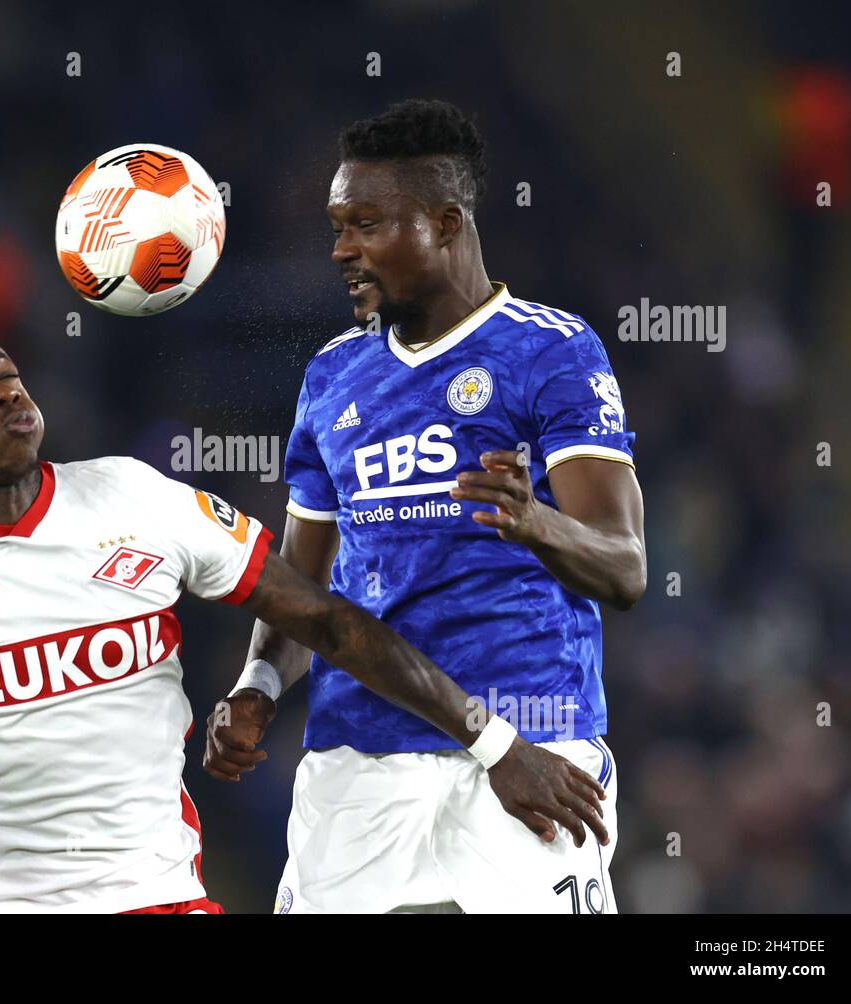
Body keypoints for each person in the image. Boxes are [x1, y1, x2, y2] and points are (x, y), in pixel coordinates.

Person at [0, 314, 607, 914]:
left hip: (162, 898)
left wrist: (491, 738)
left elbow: (324, 619)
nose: (3, 387)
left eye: (6, 369)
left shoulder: (132, 495)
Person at [206, 99, 645, 914]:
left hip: (535, 737)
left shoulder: (551, 351)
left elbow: (625, 568)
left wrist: (536, 521)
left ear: (445, 224)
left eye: (366, 225)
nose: (342, 250)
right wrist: (260, 682)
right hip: (358, 748)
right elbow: (304, 585)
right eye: (337, 227)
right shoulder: (333, 374)